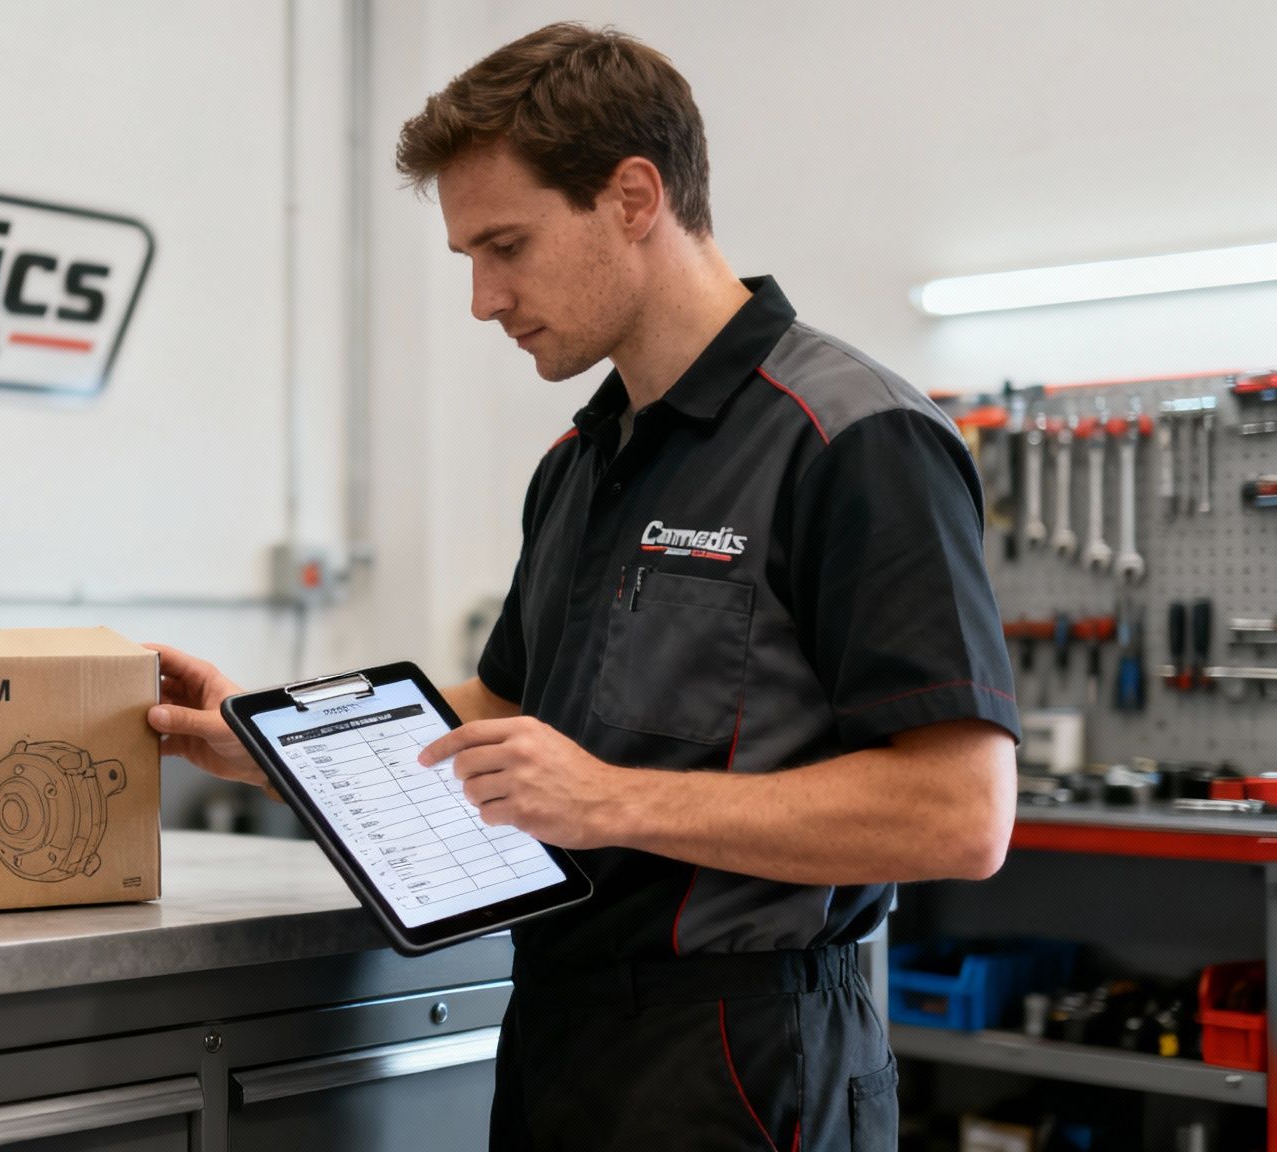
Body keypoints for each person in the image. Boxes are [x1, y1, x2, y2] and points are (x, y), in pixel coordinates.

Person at [147, 22, 1019, 1151]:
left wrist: (608, 801)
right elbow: (512, 711)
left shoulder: (852, 439)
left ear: (632, 197)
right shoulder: (580, 461)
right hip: (561, 1039)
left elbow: (959, 814)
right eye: (468, 256)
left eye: (505, 245)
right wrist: (274, 743)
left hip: (747, 1063)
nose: (482, 298)